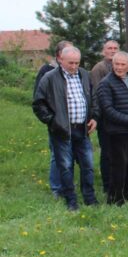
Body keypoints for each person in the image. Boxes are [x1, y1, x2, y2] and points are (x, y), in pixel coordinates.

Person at [33, 46, 99, 210]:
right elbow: (38, 104)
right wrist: (53, 122)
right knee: (65, 167)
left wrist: (94, 117)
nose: (74, 66)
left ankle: (90, 199)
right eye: (71, 63)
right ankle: (71, 201)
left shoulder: (84, 74)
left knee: (88, 166)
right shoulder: (49, 78)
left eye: (77, 62)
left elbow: (93, 97)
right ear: (60, 59)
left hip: (82, 129)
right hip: (62, 130)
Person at [97, 51, 128, 205]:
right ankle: (115, 199)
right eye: (116, 64)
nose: (118, 67)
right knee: (119, 166)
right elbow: (108, 110)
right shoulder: (106, 83)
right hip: (116, 131)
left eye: (122, 64)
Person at [35, 40, 73, 198]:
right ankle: (57, 188)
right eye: (67, 52)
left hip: (75, 122)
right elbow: (38, 100)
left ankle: (68, 185)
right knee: (57, 155)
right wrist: (51, 120)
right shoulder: (47, 71)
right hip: (57, 123)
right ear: (59, 56)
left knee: (71, 155)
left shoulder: (75, 71)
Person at [90, 39, 120, 194]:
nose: (112, 50)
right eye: (109, 48)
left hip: (120, 117)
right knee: (107, 152)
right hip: (105, 118)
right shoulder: (99, 68)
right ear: (104, 51)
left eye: (115, 48)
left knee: (118, 152)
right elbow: (96, 94)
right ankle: (108, 185)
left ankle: (118, 182)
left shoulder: (121, 66)